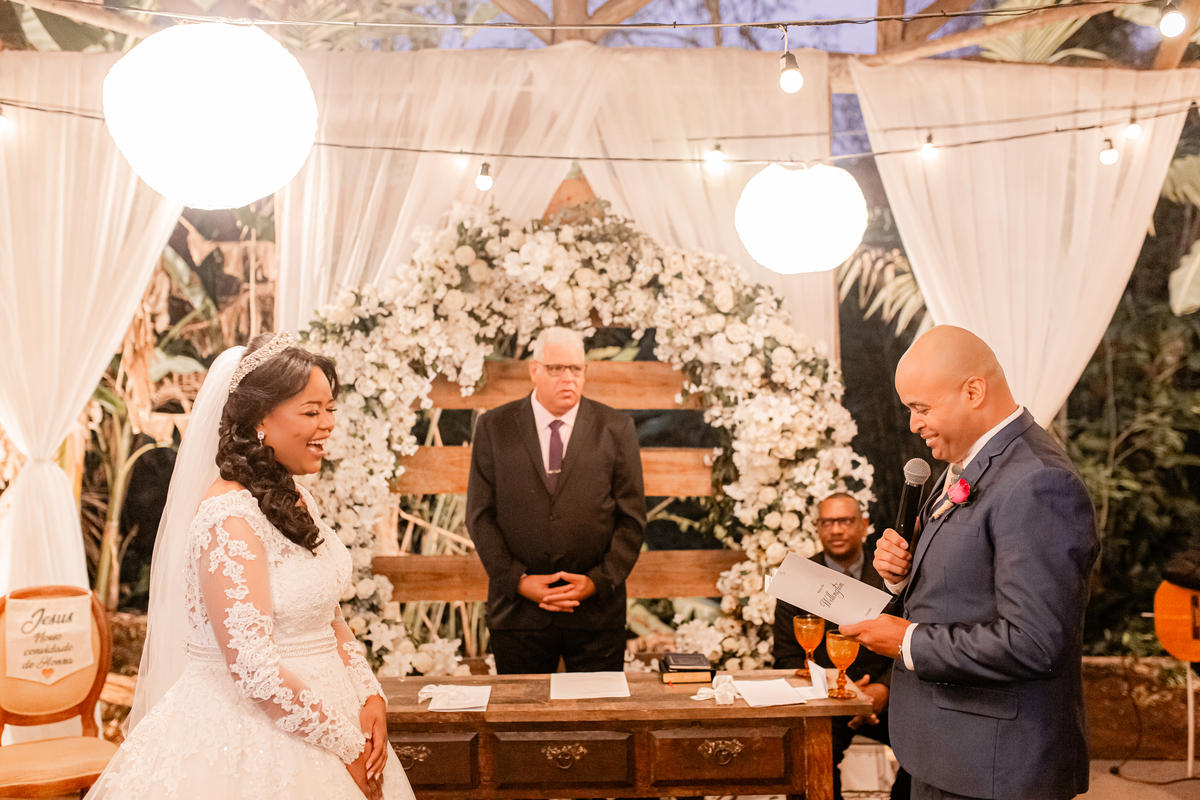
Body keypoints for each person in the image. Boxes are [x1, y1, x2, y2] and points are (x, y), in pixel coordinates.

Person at [88, 333, 414, 800]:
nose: (327, 425)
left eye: (330, 409)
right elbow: (254, 668)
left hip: (331, 712)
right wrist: (347, 748)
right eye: (311, 411)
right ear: (261, 418)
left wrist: (369, 694)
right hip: (256, 736)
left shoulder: (297, 499)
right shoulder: (229, 518)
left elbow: (329, 612)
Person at [840, 325, 1099, 800]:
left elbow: (1037, 642)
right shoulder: (960, 470)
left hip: (998, 765)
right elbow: (958, 588)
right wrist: (901, 577)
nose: (913, 424)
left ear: (974, 390)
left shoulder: (1037, 483)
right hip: (950, 751)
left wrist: (908, 639)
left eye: (921, 408)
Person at [467, 327, 646, 674]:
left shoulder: (616, 427)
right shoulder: (494, 427)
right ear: (534, 370)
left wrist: (597, 581)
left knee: (600, 722)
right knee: (521, 723)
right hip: (518, 613)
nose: (568, 378)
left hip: (596, 613)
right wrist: (519, 581)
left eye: (576, 369)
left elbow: (632, 519)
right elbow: (479, 516)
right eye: (556, 369)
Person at [772, 493, 910, 800]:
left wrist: (883, 690)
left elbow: (910, 640)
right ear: (817, 528)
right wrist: (836, 695)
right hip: (824, 703)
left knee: (926, 753)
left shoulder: (894, 576)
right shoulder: (796, 579)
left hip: (885, 697)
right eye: (827, 522)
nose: (836, 530)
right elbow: (786, 657)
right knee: (808, 762)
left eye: (845, 521)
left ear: (863, 526)